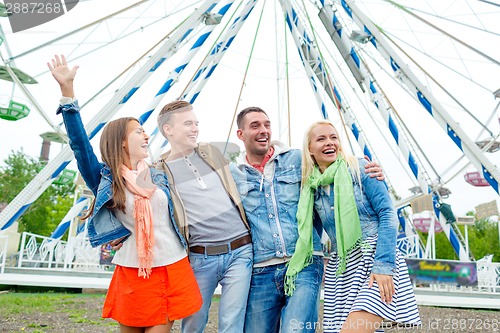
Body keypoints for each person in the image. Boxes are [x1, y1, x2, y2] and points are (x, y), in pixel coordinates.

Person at [47, 55, 202, 333]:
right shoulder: (106, 179)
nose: (146, 136)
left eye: (145, 131)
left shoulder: (159, 173)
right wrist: (67, 95)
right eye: (139, 132)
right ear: (121, 141)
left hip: (171, 266)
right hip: (133, 271)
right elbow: (80, 146)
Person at [229, 107, 384, 333]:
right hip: (261, 270)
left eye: (267, 124)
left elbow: (334, 159)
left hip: (303, 263)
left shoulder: (298, 159)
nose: (263, 130)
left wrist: (367, 168)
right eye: (255, 126)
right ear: (240, 135)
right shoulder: (232, 175)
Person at [287, 120, 421, 333]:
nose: (329, 142)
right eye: (321, 139)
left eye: (333, 137)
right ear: (310, 149)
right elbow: (312, 231)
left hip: (375, 260)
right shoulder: (313, 187)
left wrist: (384, 266)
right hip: (343, 269)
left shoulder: (361, 169)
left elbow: (388, 215)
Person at [154, 100, 253, 333]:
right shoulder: (159, 171)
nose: (195, 128)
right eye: (188, 124)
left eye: (196, 123)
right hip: (200, 257)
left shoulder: (210, 152)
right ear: (168, 130)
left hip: (240, 250)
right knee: (193, 322)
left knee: (232, 323)